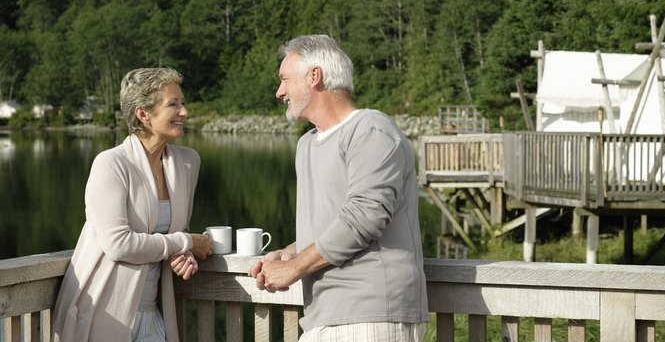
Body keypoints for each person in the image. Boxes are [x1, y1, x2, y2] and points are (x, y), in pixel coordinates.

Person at [249, 35, 429, 341]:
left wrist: (295, 268)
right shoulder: (307, 144)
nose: (279, 92)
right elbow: (332, 221)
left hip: (372, 314)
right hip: (323, 316)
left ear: (314, 76)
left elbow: (365, 216)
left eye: (284, 79)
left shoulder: (371, 129)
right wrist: (288, 253)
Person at [52, 68, 212, 342]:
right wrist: (185, 242)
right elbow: (119, 244)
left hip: (154, 312)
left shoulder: (187, 162)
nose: (184, 112)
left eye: (182, 102)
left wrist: (182, 254)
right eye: (173, 104)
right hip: (104, 311)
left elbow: (173, 231)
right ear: (143, 114)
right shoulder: (111, 164)